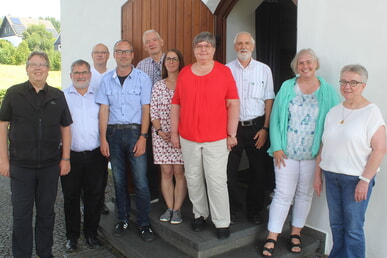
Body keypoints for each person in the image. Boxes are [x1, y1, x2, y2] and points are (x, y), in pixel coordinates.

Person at [262, 48, 340, 257]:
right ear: (296, 67)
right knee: (282, 194)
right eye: (301, 63)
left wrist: (324, 154)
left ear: (316, 64)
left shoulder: (328, 91)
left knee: (304, 195)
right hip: (286, 153)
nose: (305, 66)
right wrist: (277, 147)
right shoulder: (288, 86)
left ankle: (296, 233)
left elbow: (333, 125)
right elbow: (277, 119)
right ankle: (273, 235)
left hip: (313, 155)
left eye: (308, 62)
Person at [0, 51, 72, 258]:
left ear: (48, 69)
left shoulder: (58, 96)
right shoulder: (14, 93)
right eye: (34, 64)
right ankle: (21, 254)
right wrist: (3, 159)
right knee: (21, 215)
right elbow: (2, 125)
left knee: (46, 214)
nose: (38, 68)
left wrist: (65, 158)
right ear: (27, 69)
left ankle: (44, 253)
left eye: (42, 64)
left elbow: (66, 127)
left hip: (50, 166)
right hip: (20, 166)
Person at [171, 32, 240, 239]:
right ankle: (199, 214)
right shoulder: (184, 73)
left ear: (213, 50)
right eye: (199, 46)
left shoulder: (224, 72)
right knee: (193, 178)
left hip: (217, 139)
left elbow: (233, 103)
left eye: (207, 46)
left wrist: (232, 134)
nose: (203, 49)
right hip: (189, 137)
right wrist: (175, 133)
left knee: (217, 180)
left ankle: (221, 222)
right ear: (194, 50)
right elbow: (176, 103)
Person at [314, 64, 386, 258]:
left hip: (355, 180)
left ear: (363, 85)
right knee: (336, 225)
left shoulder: (372, 113)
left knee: (353, 229)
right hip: (331, 175)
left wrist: (365, 180)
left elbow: (380, 150)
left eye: (353, 82)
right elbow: (324, 146)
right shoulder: (334, 111)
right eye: (344, 82)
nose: (347, 86)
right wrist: (317, 175)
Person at [95, 40, 154, 242]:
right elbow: (104, 110)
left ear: (132, 55)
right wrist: (103, 138)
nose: (123, 55)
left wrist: (143, 137)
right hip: (113, 134)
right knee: (119, 181)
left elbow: (146, 109)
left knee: (141, 182)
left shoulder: (142, 78)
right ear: (114, 54)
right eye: (119, 51)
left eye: (126, 52)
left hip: (135, 133)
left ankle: (145, 224)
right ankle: (122, 219)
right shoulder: (106, 80)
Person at [226, 32, 275, 225]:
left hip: (257, 127)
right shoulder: (226, 70)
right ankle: (233, 209)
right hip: (233, 128)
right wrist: (227, 131)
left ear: (252, 46)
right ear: (235, 46)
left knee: (259, 172)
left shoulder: (264, 70)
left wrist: (265, 128)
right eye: (239, 43)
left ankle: (254, 210)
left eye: (246, 43)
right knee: (228, 172)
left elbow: (269, 100)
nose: (243, 46)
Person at [61, 60, 108, 252]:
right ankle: (72, 237)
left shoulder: (99, 96)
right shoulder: (62, 97)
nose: (80, 76)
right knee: (70, 197)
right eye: (76, 73)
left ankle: (91, 234)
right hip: (70, 156)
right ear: (71, 75)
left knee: (94, 196)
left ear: (90, 75)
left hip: (95, 155)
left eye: (84, 72)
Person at [150, 49, 187, 224]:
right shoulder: (158, 85)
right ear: (164, 63)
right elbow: (153, 111)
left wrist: (176, 133)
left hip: (181, 136)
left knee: (179, 172)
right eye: (168, 59)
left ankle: (178, 210)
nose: (171, 62)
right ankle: (169, 208)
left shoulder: (186, 83)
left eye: (175, 59)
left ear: (180, 62)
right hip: (161, 136)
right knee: (166, 172)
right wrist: (159, 131)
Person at [137, 29, 165, 203]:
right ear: (145, 46)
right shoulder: (141, 66)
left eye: (154, 40)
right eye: (148, 41)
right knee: (150, 157)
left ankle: (174, 194)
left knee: (171, 158)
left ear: (161, 41)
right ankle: (155, 193)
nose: (151, 43)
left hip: (170, 117)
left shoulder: (171, 61)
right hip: (148, 117)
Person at [90, 43, 111, 215]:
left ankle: (101, 200)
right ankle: (87, 200)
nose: (100, 55)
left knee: (103, 168)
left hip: (109, 126)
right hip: (90, 127)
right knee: (90, 167)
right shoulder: (87, 76)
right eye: (97, 53)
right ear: (92, 56)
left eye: (103, 52)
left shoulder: (112, 75)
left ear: (108, 56)